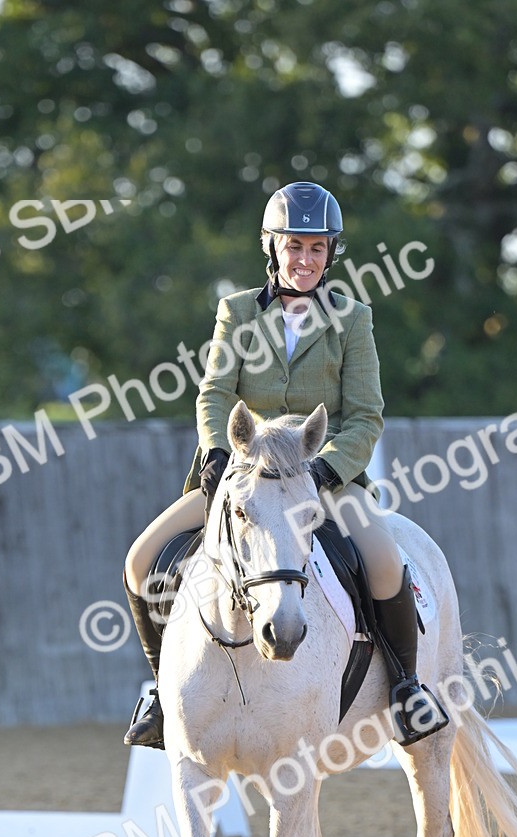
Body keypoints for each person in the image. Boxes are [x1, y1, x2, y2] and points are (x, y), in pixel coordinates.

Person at [123, 181, 449, 750]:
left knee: (384, 563)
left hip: (321, 476)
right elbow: (214, 395)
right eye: (294, 246)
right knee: (141, 559)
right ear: (271, 247)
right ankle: (159, 692)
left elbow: (366, 417)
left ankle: (405, 688)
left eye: (317, 248)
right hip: (243, 475)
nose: (305, 259)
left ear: (331, 254)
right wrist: (221, 457)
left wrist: (324, 471)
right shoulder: (237, 311)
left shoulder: (354, 320)